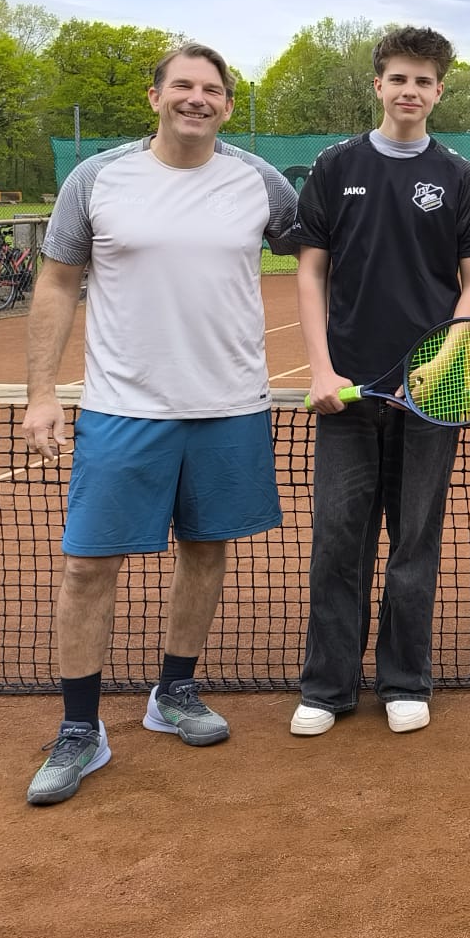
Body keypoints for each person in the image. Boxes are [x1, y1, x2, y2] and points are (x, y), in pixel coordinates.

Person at [20, 42, 298, 806]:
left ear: (229, 106)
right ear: (154, 97)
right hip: (121, 408)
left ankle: (173, 692)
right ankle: (81, 729)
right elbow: (57, 283)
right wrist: (43, 392)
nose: (197, 99)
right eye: (183, 86)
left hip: (230, 406)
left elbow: (319, 260)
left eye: (212, 90)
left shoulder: (260, 183)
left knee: (206, 551)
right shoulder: (98, 179)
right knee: (86, 567)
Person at [289, 26, 470, 738]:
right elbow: (310, 270)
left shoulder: (460, 177)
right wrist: (320, 367)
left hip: (430, 399)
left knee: (415, 543)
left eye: (424, 81)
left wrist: (437, 367)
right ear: (378, 85)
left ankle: (406, 679)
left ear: (439, 91)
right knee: (339, 541)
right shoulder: (334, 164)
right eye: (399, 78)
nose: (411, 91)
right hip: (345, 395)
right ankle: (327, 686)